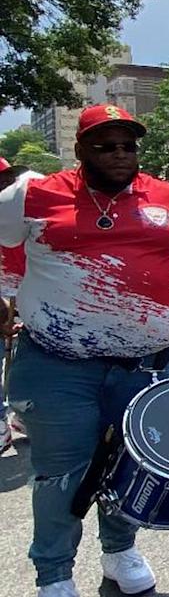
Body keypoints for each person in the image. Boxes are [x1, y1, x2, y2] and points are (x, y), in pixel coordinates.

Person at [0, 104, 169, 597]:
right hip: (57, 364)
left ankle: (119, 550)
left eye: (128, 145)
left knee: (133, 464)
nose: (119, 154)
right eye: (105, 144)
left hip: (149, 360)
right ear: (80, 149)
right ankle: (54, 580)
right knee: (62, 475)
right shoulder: (33, 195)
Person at [0, 157, 32, 454]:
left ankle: (22, 416)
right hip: (5, 300)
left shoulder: (20, 208)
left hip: (26, 296)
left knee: (25, 364)